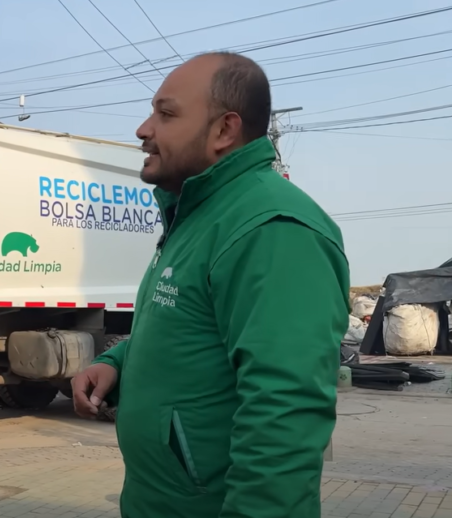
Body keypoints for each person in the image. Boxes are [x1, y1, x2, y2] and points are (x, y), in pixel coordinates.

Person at [72, 52, 349, 518]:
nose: (144, 129)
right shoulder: (199, 215)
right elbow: (193, 325)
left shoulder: (272, 229)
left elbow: (283, 415)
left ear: (225, 130)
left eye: (166, 113)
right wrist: (119, 362)